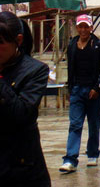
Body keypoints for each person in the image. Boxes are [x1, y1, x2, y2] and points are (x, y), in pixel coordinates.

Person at [0, 11, 51, 187]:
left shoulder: (36, 71)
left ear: (18, 41)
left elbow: (22, 114)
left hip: (22, 167)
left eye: (1, 43)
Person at [60, 14, 100, 172]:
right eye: (80, 26)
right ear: (77, 28)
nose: (83, 30)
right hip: (77, 90)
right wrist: (70, 88)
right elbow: (70, 68)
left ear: (91, 28)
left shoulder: (99, 45)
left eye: (85, 26)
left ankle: (92, 153)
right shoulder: (72, 44)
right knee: (75, 124)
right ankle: (71, 159)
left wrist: (97, 88)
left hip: (93, 91)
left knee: (94, 124)